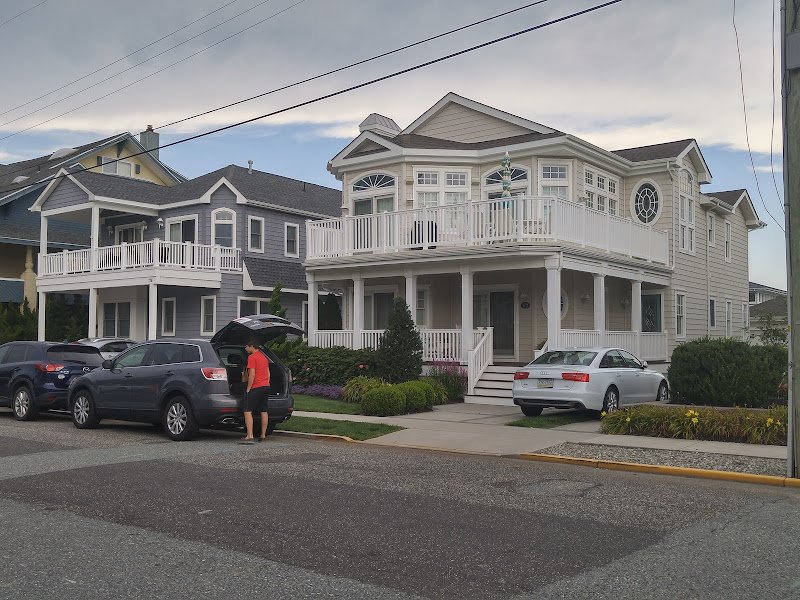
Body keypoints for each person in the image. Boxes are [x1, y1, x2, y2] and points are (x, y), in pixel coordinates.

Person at [239, 337, 270, 444]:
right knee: (263, 410)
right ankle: (263, 435)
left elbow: (252, 374)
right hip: (266, 386)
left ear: (252, 346)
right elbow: (268, 372)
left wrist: (248, 388)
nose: (245, 348)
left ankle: (250, 435)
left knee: (247, 410)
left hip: (256, 386)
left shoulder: (252, 357)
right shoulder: (264, 357)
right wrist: (267, 382)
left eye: (247, 346)